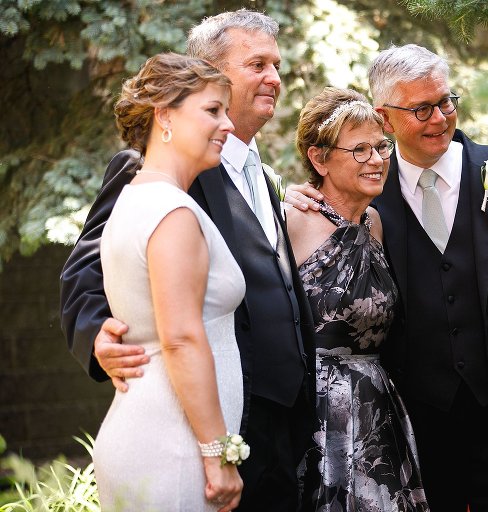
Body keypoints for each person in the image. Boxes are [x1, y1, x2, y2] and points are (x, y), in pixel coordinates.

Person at [287, 44, 488, 511]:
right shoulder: (366, 193)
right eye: (421, 109)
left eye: (446, 102)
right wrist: (292, 195)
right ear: (385, 118)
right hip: (412, 428)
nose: (439, 119)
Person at [59, 10, 315, 510]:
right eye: (257, 64)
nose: (275, 78)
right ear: (212, 72)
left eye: (277, 65)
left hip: (284, 424)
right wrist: (99, 337)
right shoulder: (156, 168)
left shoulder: (263, 175)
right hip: (209, 428)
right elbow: (86, 268)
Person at [93, 52, 244, 511]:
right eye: (212, 110)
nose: (228, 125)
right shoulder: (172, 212)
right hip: (174, 450)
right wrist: (220, 454)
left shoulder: (139, 198)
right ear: (165, 115)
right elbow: (180, 338)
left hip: (155, 438)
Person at [288, 87, 429, 511]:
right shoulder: (292, 219)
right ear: (319, 159)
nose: (377, 159)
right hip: (314, 411)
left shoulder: (375, 223)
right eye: (360, 149)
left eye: (381, 147)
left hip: (375, 406)